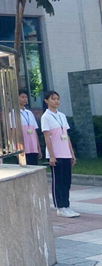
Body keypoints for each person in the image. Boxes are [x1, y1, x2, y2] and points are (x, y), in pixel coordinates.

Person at [41, 90, 79, 218]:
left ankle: (66, 205)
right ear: (46, 101)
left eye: (58, 99)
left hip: (65, 153)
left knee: (66, 181)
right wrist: (52, 156)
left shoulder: (62, 116)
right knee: (58, 181)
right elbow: (47, 137)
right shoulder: (46, 117)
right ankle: (60, 207)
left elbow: (66, 136)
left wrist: (72, 153)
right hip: (56, 154)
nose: (56, 101)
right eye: (53, 99)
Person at [16, 91, 41, 166]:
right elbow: (13, 132)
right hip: (22, 147)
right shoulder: (14, 113)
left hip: (33, 147)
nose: (24, 99)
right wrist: (17, 148)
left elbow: (34, 131)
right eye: (22, 97)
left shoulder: (29, 113)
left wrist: (38, 147)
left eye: (26, 97)